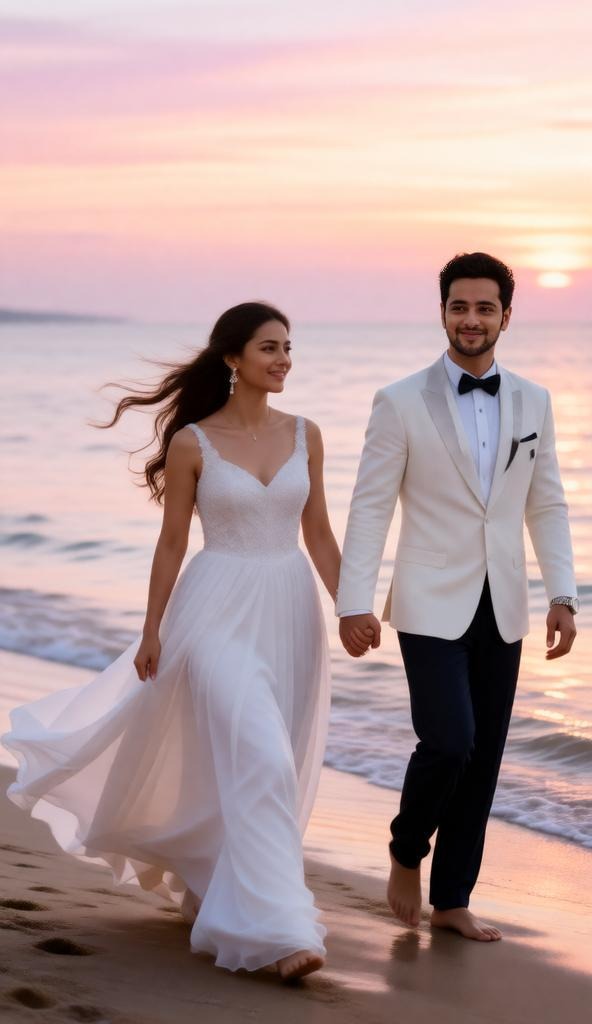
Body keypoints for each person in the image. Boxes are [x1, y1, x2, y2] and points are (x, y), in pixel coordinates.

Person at [3, 302, 341, 980]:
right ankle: (279, 931)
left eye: (288, 348)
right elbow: (172, 543)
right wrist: (151, 629)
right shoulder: (193, 442)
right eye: (269, 348)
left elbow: (320, 534)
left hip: (291, 610)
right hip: (214, 608)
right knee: (263, 755)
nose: (283, 360)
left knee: (249, 759)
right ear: (232, 358)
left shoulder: (307, 434)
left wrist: (354, 607)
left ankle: (213, 879)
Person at [337, 253, 578, 942]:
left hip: (504, 603)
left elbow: (549, 501)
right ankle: (407, 848)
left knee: (485, 758)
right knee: (450, 740)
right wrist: (354, 601)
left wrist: (563, 591)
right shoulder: (400, 400)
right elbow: (370, 507)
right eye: (458, 307)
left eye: (484, 307)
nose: (470, 319)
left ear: (506, 314)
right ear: (442, 310)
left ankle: (452, 901)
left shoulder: (534, 400)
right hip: (427, 599)